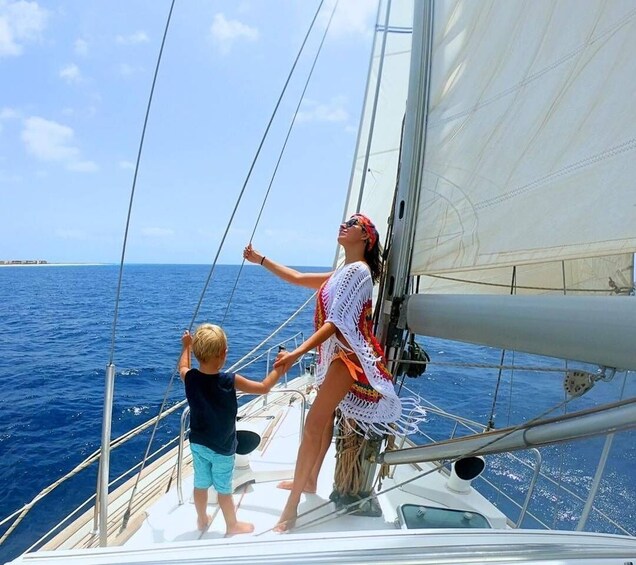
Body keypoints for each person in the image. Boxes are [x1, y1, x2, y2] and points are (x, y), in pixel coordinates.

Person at [243, 213, 415, 532]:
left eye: (353, 224)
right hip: (336, 357)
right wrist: (260, 259)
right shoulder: (342, 273)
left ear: (366, 238)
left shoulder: (358, 272)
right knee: (320, 429)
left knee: (312, 427)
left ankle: (291, 508)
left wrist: (296, 352)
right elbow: (295, 277)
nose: (344, 225)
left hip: (349, 360)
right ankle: (307, 482)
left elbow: (335, 323)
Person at [179, 323, 286, 536]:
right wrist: (280, 369)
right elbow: (264, 387)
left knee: (200, 484)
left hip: (198, 444)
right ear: (224, 353)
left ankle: (201, 519)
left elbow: (182, 366)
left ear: (198, 353)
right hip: (222, 449)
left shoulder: (190, 377)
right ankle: (232, 525)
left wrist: (186, 347)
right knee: (224, 490)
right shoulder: (229, 380)